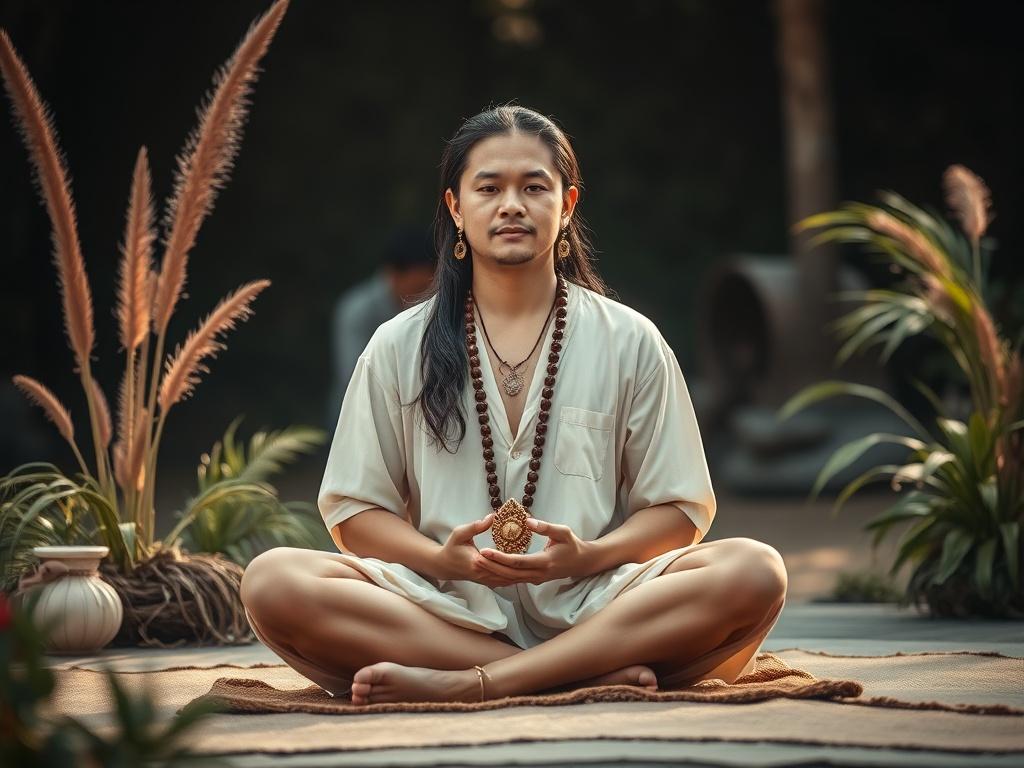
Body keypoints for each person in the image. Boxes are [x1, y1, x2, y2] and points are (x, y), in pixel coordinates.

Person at [241, 105, 788, 705]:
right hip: (441, 612)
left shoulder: (630, 340)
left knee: (755, 570)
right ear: (455, 207)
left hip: (598, 603)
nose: (511, 205)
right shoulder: (398, 345)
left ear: (568, 203)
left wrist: (588, 557)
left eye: (533, 186)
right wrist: (442, 560)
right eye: (489, 187)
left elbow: (680, 510)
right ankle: (578, 674)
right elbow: (354, 512)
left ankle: (482, 683)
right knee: (273, 580)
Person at [326, 228, 436, 428]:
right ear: (392, 275)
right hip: (358, 420)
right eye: (418, 288)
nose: (425, 295)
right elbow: (353, 376)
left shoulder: (433, 305)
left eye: (430, 287)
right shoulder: (357, 311)